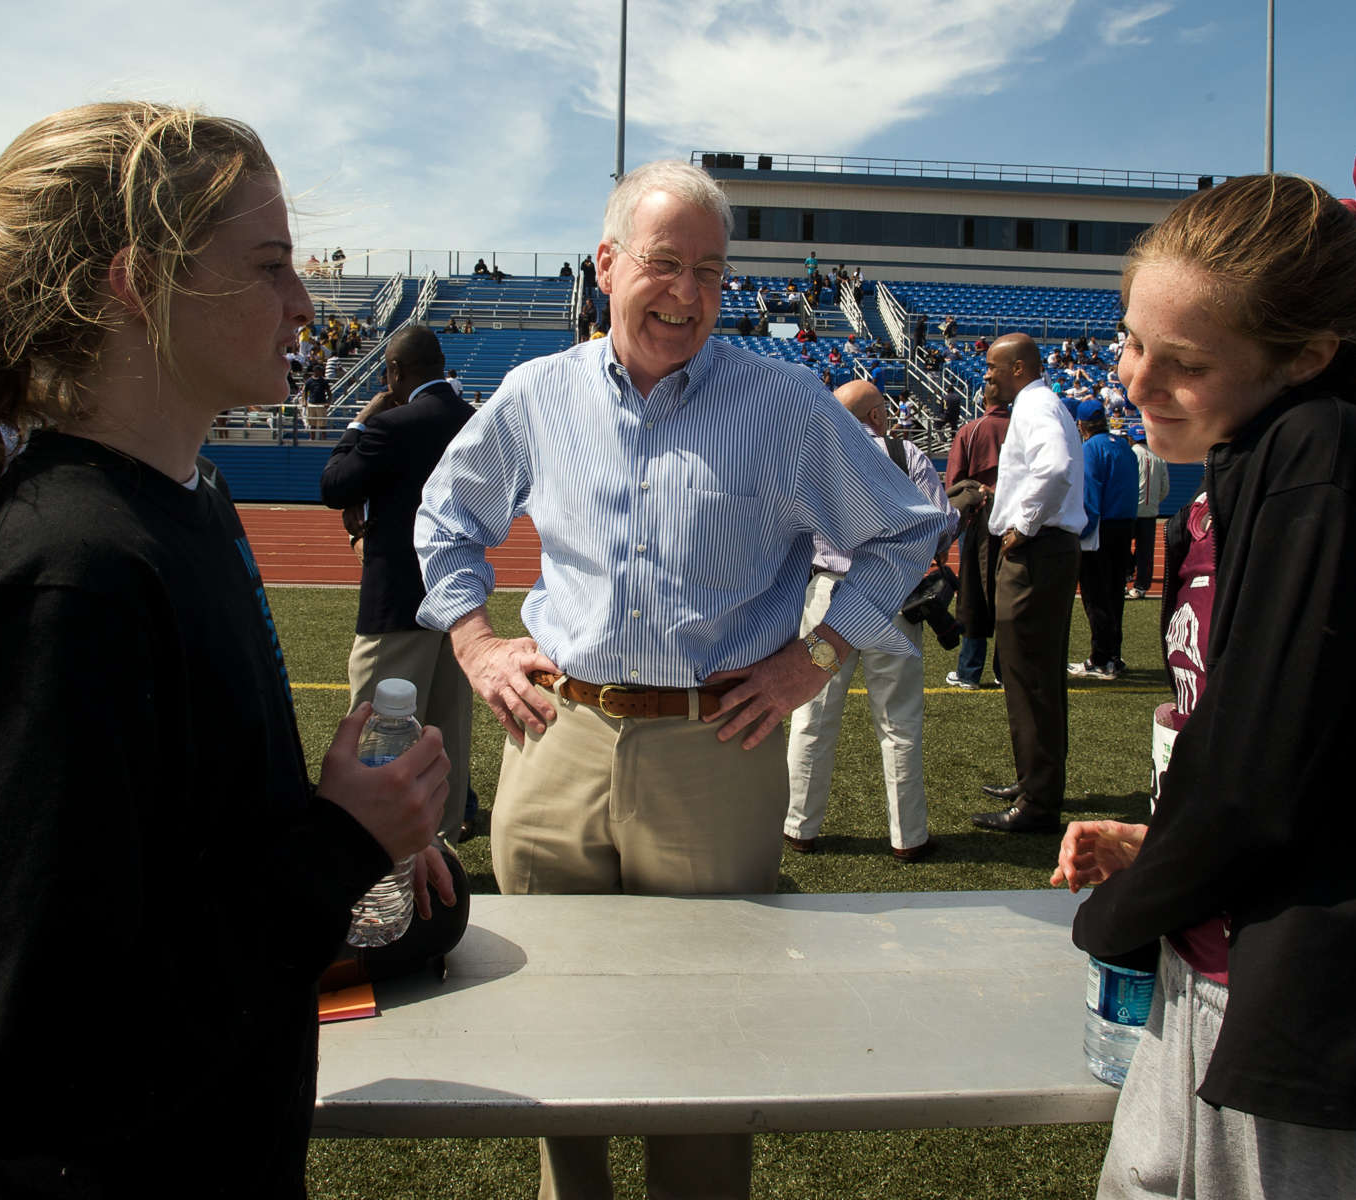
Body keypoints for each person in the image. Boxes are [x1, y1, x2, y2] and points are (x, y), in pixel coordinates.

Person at [0, 101, 452, 1198]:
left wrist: (340, 827)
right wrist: (331, 846)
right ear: (137, 283)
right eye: (268, 267)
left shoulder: (183, 500)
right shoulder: (73, 577)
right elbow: (16, 1069)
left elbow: (163, 865)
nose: (304, 304)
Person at [415, 159, 946, 1200]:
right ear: (607, 265)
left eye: (711, 271)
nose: (688, 294)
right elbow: (446, 520)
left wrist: (818, 654)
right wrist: (476, 646)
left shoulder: (785, 405)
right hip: (556, 737)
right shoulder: (537, 395)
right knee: (553, 1020)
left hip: (718, 749)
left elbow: (902, 534)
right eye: (664, 264)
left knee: (710, 1039)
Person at [1052, 164, 1356, 1198]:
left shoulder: (1320, 450)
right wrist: (1161, 845)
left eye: (1182, 362)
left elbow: (1255, 782)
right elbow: (1302, 749)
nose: (1135, 382)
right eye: (1131, 341)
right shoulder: (1237, 481)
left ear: (1305, 358)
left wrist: (1124, 908)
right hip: (1228, 981)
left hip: (1343, 1045)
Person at [783, 381, 955, 863]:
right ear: (879, 416)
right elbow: (940, 530)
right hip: (892, 598)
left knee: (812, 717)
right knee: (898, 721)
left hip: (827, 593)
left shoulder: (815, 460)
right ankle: (908, 837)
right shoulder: (907, 456)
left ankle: (799, 826)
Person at [320, 326, 478, 842]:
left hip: (397, 604)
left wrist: (361, 420)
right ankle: (443, 846)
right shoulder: (472, 420)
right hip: (457, 600)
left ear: (394, 372)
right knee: (445, 736)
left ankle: (366, 846)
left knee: (375, 731)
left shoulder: (391, 425)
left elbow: (334, 484)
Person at [970, 333, 1084, 835]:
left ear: (1018, 368)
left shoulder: (1036, 405)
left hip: (1036, 555)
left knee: (1028, 678)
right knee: (1037, 677)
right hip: (1047, 554)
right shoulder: (1042, 404)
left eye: (994, 367)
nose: (987, 375)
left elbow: (1054, 466)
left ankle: (1037, 801)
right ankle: (1034, 782)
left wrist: (1025, 523)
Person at [943, 385, 1011, 689]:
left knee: (972, 594)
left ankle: (970, 671)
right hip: (1014, 522)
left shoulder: (971, 430)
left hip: (977, 519)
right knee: (1009, 593)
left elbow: (954, 483)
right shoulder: (1022, 429)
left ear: (983, 399)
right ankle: (1005, 670)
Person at [1069, 399, 1138, 680]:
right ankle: (1113, 656)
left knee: (1096, 596)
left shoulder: (1090, 449)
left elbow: (1090, 497)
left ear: (1081, 424)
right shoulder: (1124, 446)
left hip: (1101, 530)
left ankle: (1100, 658)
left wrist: (1081, 532)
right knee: (1114, 596)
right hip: (1124, 526)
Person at [1125, 424, 1167, 598]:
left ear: (1132, 438)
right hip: (1150, 512)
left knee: (1121, 544)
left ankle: (1126, 572)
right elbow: (1165, 487)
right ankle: (1141, 585)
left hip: (1131, 510)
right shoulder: (1159, 457)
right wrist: (1155, 502)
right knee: (1146, 551)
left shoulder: (1130, 454)